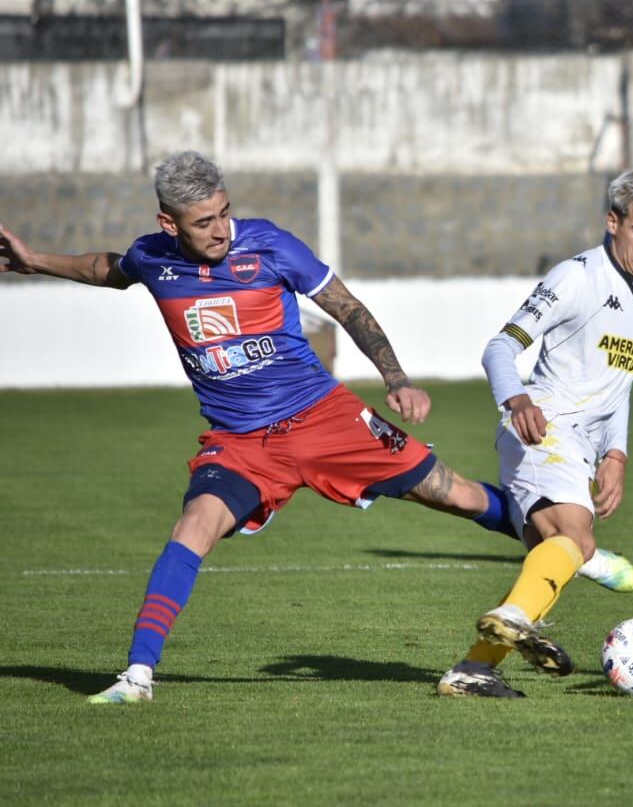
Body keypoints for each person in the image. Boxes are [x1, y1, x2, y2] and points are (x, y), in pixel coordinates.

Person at [0, 151, 518, 704]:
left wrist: (395, 377)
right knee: (192, 526)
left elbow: (346, 307)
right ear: (168, 225)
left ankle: (565, 543)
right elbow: (108, 269)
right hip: (242, 443)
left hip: (324, 419)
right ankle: (137, 678)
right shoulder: (153, 259)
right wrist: (35, 261)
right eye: (204, 222)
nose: (221, 229)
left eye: (225, 213)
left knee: (457, 495)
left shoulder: (270, 245)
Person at [437, 161, 633, 698]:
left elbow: (620, 382)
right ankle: (515, 614)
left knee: (556, 548)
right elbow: (499, 347)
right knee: (573, 536)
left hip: (581, 445)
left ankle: (474, 669)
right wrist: (515, 396)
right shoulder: (577, 277)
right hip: (541, 427)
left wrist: (615, 455)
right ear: (612, 221)